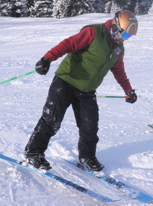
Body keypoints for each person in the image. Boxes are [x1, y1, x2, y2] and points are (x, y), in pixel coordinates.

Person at [24, 10, 138, 171]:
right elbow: (68, 44)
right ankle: (33, 153)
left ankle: (87, 157)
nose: (123, 39)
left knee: (90, 126)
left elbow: (118, 70)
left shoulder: (118, 49)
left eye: (128, 37)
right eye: (124, 35)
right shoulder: (93, 32)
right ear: (115, 27)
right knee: (51, 120)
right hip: (65, 82)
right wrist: (47, 59)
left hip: (87, 90)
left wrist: (129, 90)